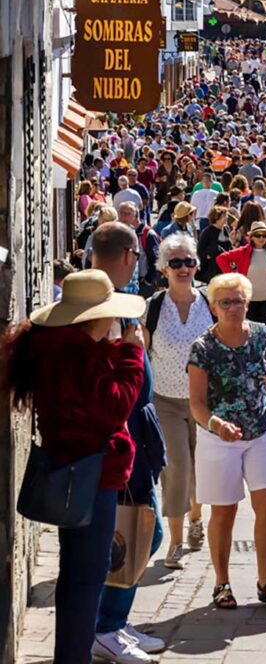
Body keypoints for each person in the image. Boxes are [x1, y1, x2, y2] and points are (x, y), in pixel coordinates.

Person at [2, 271, 145, 664]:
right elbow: (115, 406)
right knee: (87, 577)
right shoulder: (79, 354)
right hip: (92, 473)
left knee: (76, 574)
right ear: (96, 315)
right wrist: (132, 354)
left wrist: (114, 351)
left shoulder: (61, 348)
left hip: (76, 468)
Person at [188, 273, 266, 610]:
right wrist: (217, 424)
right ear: (213, 307)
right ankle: (222, 582)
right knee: (224, 511)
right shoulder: (203, 347)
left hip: (260, 430)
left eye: (238, 301)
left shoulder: (262, 335)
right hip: (218, 438)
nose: (233, 307)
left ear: (248, 303)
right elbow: (196, 403)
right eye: (225, 302)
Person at [90, 223, 167, 663]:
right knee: (139, 530)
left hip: (136, 433)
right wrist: (134, 349)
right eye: (137, 255)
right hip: (121, 438)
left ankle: (112, 621)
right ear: (127, 255)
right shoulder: (101, 303)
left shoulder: (118, 299)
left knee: (139, 529)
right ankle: (105, 626)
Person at [147, 234, 214, 570]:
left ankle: (196, 517)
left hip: (204, 400)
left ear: (197, 265)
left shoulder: (210, 302)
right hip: (166, 401)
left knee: (200, 467)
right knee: (176, 467)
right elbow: (142, 352)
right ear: (164, 269)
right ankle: (175, 542)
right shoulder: (154, 307)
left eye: (189, 261)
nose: (183, 268)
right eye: (176, 263)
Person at [216, 221, 266, 325]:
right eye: (257, 235)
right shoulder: (243, 252)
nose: (261, 238)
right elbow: (221, 258)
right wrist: (234, 277)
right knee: (249, 329)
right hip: (249, 299)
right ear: (251, 237)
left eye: (264, 235)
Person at [197, 205, 233, 283]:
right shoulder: (207, 232)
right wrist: (208, 256)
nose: (227, 218)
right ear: (216, 218)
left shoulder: (226, 229)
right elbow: (200, 250)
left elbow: (230, 245)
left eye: (226, 215)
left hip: (225, 264)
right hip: (212, 267)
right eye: (224, 216)